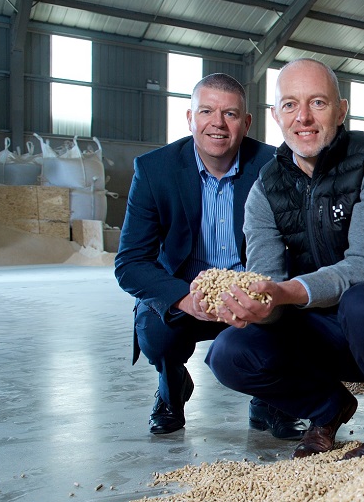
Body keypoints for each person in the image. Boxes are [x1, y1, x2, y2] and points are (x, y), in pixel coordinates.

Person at [204, 59, 364, 460]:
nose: (304, 118)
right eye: (290, 105)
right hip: (325, 337)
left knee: (362, 299)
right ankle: (328, 409)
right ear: (274, 116)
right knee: (228, 352)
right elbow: (267, 282)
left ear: (341, 110)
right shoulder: (266, 189)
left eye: (317, 102)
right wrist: (255, 302)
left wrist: (285, 292)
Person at [114, 73, 304, 440]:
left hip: (249, 292)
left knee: (292, 322)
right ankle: (172, 390)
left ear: (246, 123)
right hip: (185, 293)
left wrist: (268, 292)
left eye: (230, 114)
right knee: (155, 332)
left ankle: (269, 400)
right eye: (207, 111)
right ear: (190, 118)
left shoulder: (274, 166)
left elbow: (296, 246)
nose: (218, 123)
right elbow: (129, 263)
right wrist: (183, 298)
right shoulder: (155, 170)